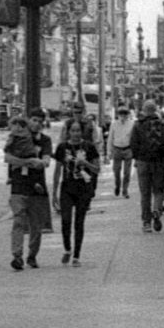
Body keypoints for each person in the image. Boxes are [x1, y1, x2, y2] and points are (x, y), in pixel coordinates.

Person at [4, 109, 53, 269]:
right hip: (18, 185)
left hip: (37, 187)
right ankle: (17, 256)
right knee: (18, 221)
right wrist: (28, 162)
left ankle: (32, 255)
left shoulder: (45, 140)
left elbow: (46, 161)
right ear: (28, 120)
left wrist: (40, 162)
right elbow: (7, 157)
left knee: (36, 226)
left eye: (40, 121)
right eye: (34, 120)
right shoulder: (17, 136)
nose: (36, 124)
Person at [53, 108, 101, 265]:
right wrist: (54, 193)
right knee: (65, 220)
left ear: (82, 132)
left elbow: (97, 169)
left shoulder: (89, 147)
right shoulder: (62, 148)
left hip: (83, 188)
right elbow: (58, 170)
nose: (75, 134)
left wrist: (85, 163)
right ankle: (67, 248)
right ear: (68, 132)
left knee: (79, 222)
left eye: (78, 130)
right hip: (67, 188)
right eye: (73, 131)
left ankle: (76, 256)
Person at [131, 98, 164, 233]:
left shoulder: (138, 125)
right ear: (155, 110)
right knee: (158, 190)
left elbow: (133, 144)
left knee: (145, 194)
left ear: (144, 111)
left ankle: (146, 222)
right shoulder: (163, 125)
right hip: (159, 162)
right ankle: (157, 210)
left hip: (143, 162)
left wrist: (137, 158)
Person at [107, 102, 136, 197]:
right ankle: (117, 185)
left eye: (125, 114)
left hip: (127, 149)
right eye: (121, 114)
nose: (123, 116)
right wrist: (109, 151)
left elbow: (134, 138)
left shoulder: (132, 124)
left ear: (127, 115)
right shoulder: (114, 124)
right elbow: (110, 138)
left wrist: (135, 151)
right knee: (116, 171)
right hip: (117, 149)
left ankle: (125, 190)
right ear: (118, 115)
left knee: (127, 172)